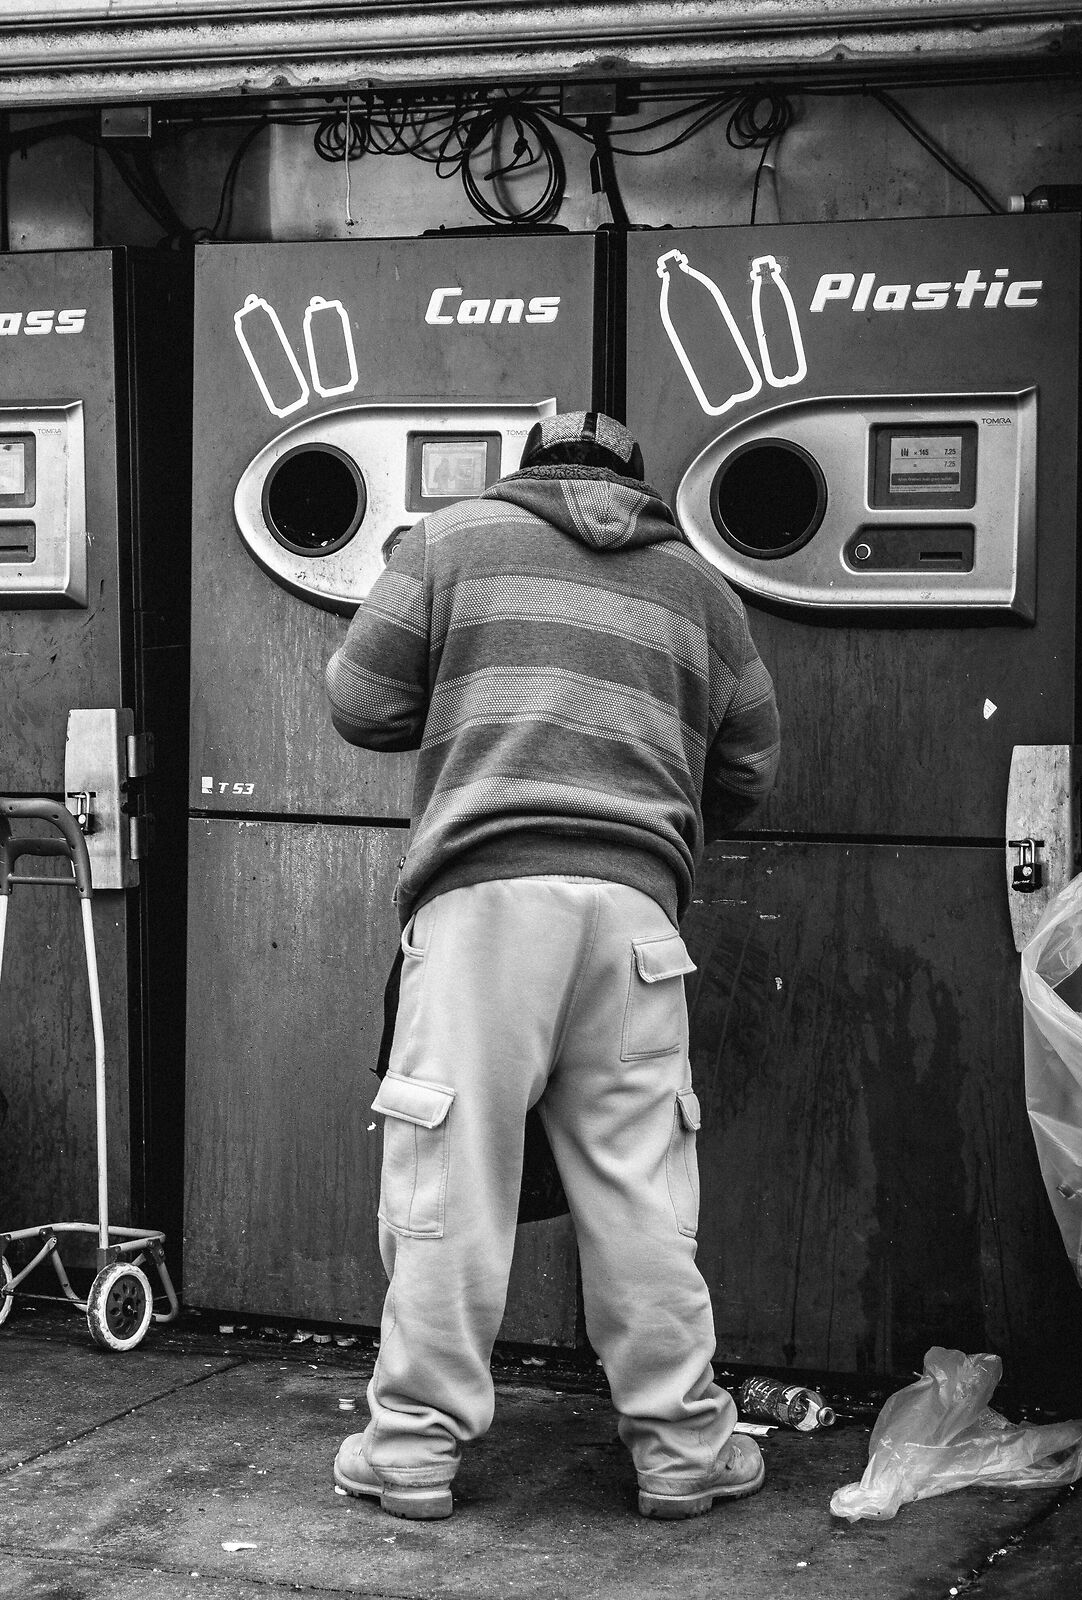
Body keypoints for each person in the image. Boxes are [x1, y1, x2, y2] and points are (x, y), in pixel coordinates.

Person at [321, 410, 781, 1520]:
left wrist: (473, 703)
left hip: (485, 910)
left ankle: (413, 1452)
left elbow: (356, 700)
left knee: (452, 1183)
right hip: (637, 919)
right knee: (640, 1189)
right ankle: (683, 1449)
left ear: (529, 473)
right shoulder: (702, 589)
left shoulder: (451, 541)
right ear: (638, 479)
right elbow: (752, 767)